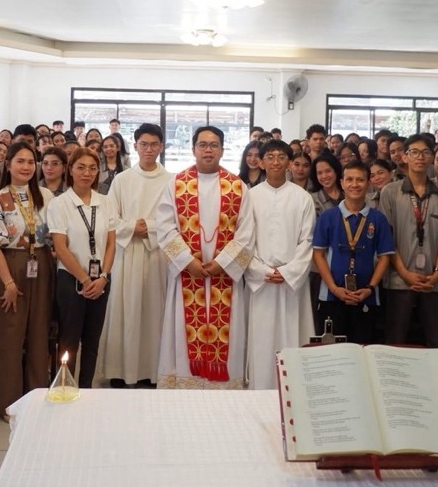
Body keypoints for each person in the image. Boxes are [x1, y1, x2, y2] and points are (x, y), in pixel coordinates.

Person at [154, 126, 255, 388]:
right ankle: (186, 383)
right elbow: (164, 227)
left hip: (224, 277)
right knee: (182, 332)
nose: (208, 150)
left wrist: (222, 263)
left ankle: (224, 389)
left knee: (228, 333)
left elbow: (246, 233)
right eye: (202, 144)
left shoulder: (237, 186)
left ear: (222, 149)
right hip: (189, 274)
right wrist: (189, 262)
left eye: (213, 145)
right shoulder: (176, 184)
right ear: (193, 149)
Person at [0, 141, 56, 418]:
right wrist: (9, 283)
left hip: (42, 263)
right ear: (8, 164)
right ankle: (10, 405)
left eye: (30, 162)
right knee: (10, 338)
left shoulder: (46, 196)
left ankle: (37, 401)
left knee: (39, 336)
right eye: (20, 161)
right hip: (11, 266)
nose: (26, 167)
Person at [97, 123, 173, 388]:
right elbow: (110, 217)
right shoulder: (122, 180)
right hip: (126, 255)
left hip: (157, 257)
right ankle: (121, 371)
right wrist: (132, 228)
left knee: (154, 313)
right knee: (123, 312)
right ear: (136, 145)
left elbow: (175, 221)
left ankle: (152, 372)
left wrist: (149, 228)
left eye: (154, 144)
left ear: (161, 146)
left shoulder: (171, 181)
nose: (149, 149)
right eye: (144, 144)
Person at [244, 140, 315, 390]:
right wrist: (261, 270)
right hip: (260, 282)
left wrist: (287, 272)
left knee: (291, 339)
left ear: (289, 162)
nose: (275, 162)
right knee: (260, 340)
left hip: (291, 282)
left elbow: (307, 241)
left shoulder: (302, 198)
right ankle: (258, 390)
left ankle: (292, 394)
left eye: (281, 156)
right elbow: (243, 241)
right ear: (261, 162)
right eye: (270, 157)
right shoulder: (249, 197)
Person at [48, 148, 116, 389]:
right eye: (81, 167)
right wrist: (85, 280)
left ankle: (87, 390)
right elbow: (61, 247)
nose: (86, 173)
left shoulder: (105, 202)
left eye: (92, 168)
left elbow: (110, 244)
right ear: (70, 170)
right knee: (69, 340)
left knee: (92, 341)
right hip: (71, 280)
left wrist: (104, 277)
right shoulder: (60, 204)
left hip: (101, 280)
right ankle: (65, 389)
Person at [379, 133, 438, 348]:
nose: (420, 157)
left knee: (437, 341)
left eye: (425, 152)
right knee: (395, 339)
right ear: (404, 157)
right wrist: (404, 273)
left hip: (434, 280)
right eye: (414, 152)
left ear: (432, 157)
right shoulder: (390, 192)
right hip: (399, 279)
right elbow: (387, 238)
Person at [312, 160, 393, 344]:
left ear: (368, 183)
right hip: (332, 296)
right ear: (341, 183)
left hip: (367, 297)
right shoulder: (328, 217)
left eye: (360, 180)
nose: (354, 185)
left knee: (364, 349)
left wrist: (370, 288)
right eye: (349, 179)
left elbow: (384, 258)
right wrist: (334, 288)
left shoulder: (378, 219)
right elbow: (318, 254)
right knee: (332, 352)